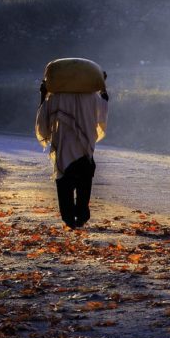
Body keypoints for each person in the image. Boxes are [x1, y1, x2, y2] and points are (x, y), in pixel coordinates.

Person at [35, 78, 109, 229]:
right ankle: (81, 216)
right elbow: (104, 104)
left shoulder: (55, 98)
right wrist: (102, 86)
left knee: (64, 184)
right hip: (84, 149)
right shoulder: (92, 97)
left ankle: (69, 218)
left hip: (64, 149)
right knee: (84, 183)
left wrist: (43, 94)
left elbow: (43, 117)